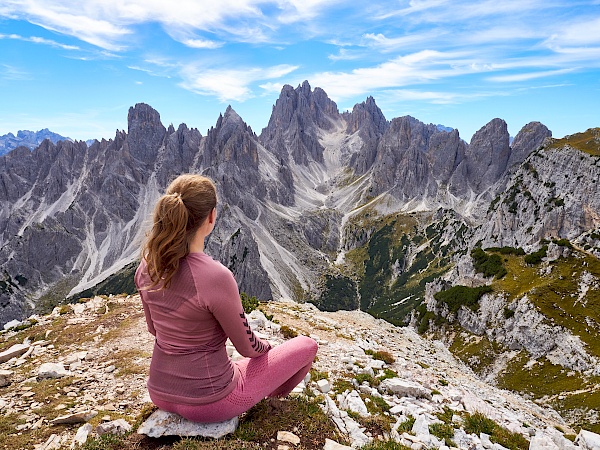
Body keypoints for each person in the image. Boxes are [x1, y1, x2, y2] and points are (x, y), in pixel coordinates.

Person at [134, 174, 318, 423]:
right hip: (210, 401)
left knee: (238, 366)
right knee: (307, 346)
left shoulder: (146, 267)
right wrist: (268, 350)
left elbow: (154, 329)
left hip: (159, 392)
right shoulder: (215, 276)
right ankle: (269, 400)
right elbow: (247, 348)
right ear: (211, 218)